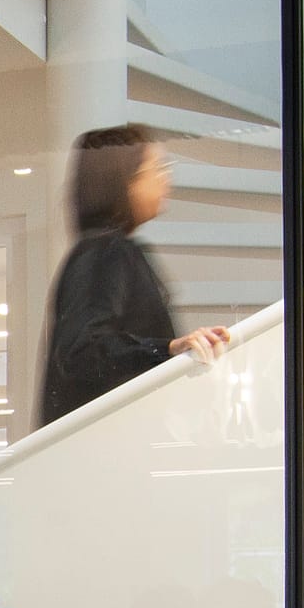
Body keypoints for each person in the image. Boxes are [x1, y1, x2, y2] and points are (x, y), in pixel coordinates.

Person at [36, 124, 232, 428]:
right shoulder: (105, 252)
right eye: (158, 168)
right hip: (110, 442)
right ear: (126, 180)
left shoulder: (101, 250)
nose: (166, 178)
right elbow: (81, 351)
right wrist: (166, 349)